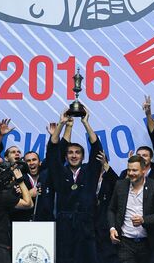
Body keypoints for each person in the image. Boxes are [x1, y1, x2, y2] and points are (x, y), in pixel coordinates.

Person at [47, 108, 103, 263]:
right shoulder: (60, 172)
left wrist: (85, 123)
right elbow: (51, 152)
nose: (73, 155)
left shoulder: (89, 171)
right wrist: (61, 124)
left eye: (77, 152)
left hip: (86, 227)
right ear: (65, 156)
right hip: (64, 227)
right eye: (70, 152)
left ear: (83, 156)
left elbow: (97, 148)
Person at [108, 155, 154, 263]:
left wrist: (144, 220)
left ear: (144, 170)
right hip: (125, 243)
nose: (130, 173)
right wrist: (112, 229)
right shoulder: (120, 185)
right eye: (129, 170)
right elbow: (111, 209)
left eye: (134, 170)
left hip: (148, 243)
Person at [95, 151, 119, 263]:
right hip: (91, 225)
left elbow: (118, 183)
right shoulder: (88, 178)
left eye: (102, 162)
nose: (99, 164)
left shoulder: (110, 178)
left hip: (106, 224)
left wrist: (105, 165)